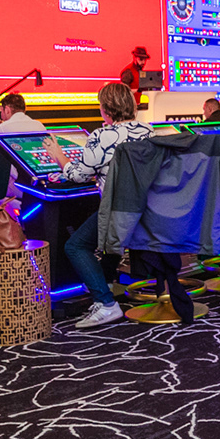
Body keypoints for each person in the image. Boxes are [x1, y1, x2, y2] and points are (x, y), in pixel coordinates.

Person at [45, 82, 153, 330]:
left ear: (106, 109)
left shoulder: (101, 136)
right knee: (107, 237)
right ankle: (105, 283)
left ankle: (106, 303)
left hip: (119, 212)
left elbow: (78, 175)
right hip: (146, 210)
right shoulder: (148, 131)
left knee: (75, 246)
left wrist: (57, 155)